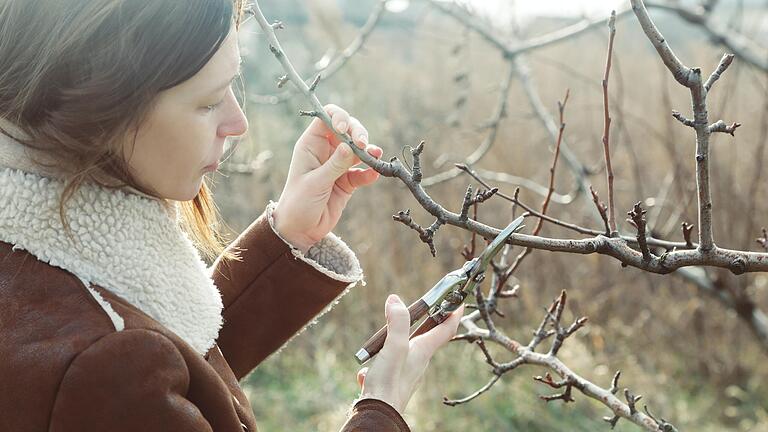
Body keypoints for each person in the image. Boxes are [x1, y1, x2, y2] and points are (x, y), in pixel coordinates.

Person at [0, 1, 464, 431]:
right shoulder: (99, 365)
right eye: (208, 101)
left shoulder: (41, 266)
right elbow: (130, 367)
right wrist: (382, 408)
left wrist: (289, 236)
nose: (237, 123)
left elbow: (174, 376)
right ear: (102, 105)